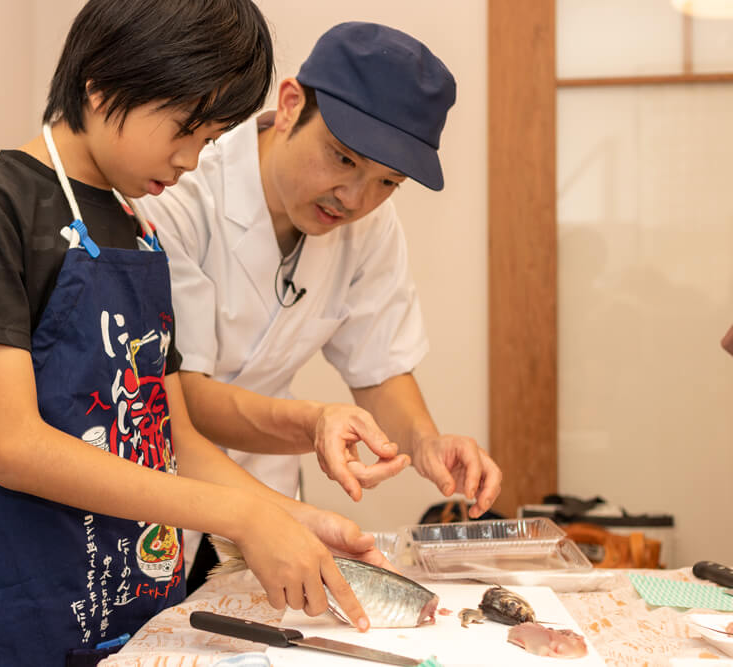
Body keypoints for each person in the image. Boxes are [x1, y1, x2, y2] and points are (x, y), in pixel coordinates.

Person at [0, 4, 391, 666]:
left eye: (209, 139)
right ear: (101, 83)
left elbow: (174, 439)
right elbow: (17, 448)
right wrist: (240, 517)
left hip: (138, 604)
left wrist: (292, 518)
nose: (191, 159)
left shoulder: (141, 231)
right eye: (185, 129)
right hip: (27, 601)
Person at [135, 22, 503, 587]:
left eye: (388, 182)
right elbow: (185, 398)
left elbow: (379, 367)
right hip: (159, 479)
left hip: (269, 486)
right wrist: (315, 423)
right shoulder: (182, 192)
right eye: (342, 159)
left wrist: (426, 441)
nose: (354, 199)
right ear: (290, 106)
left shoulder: (371, 225)